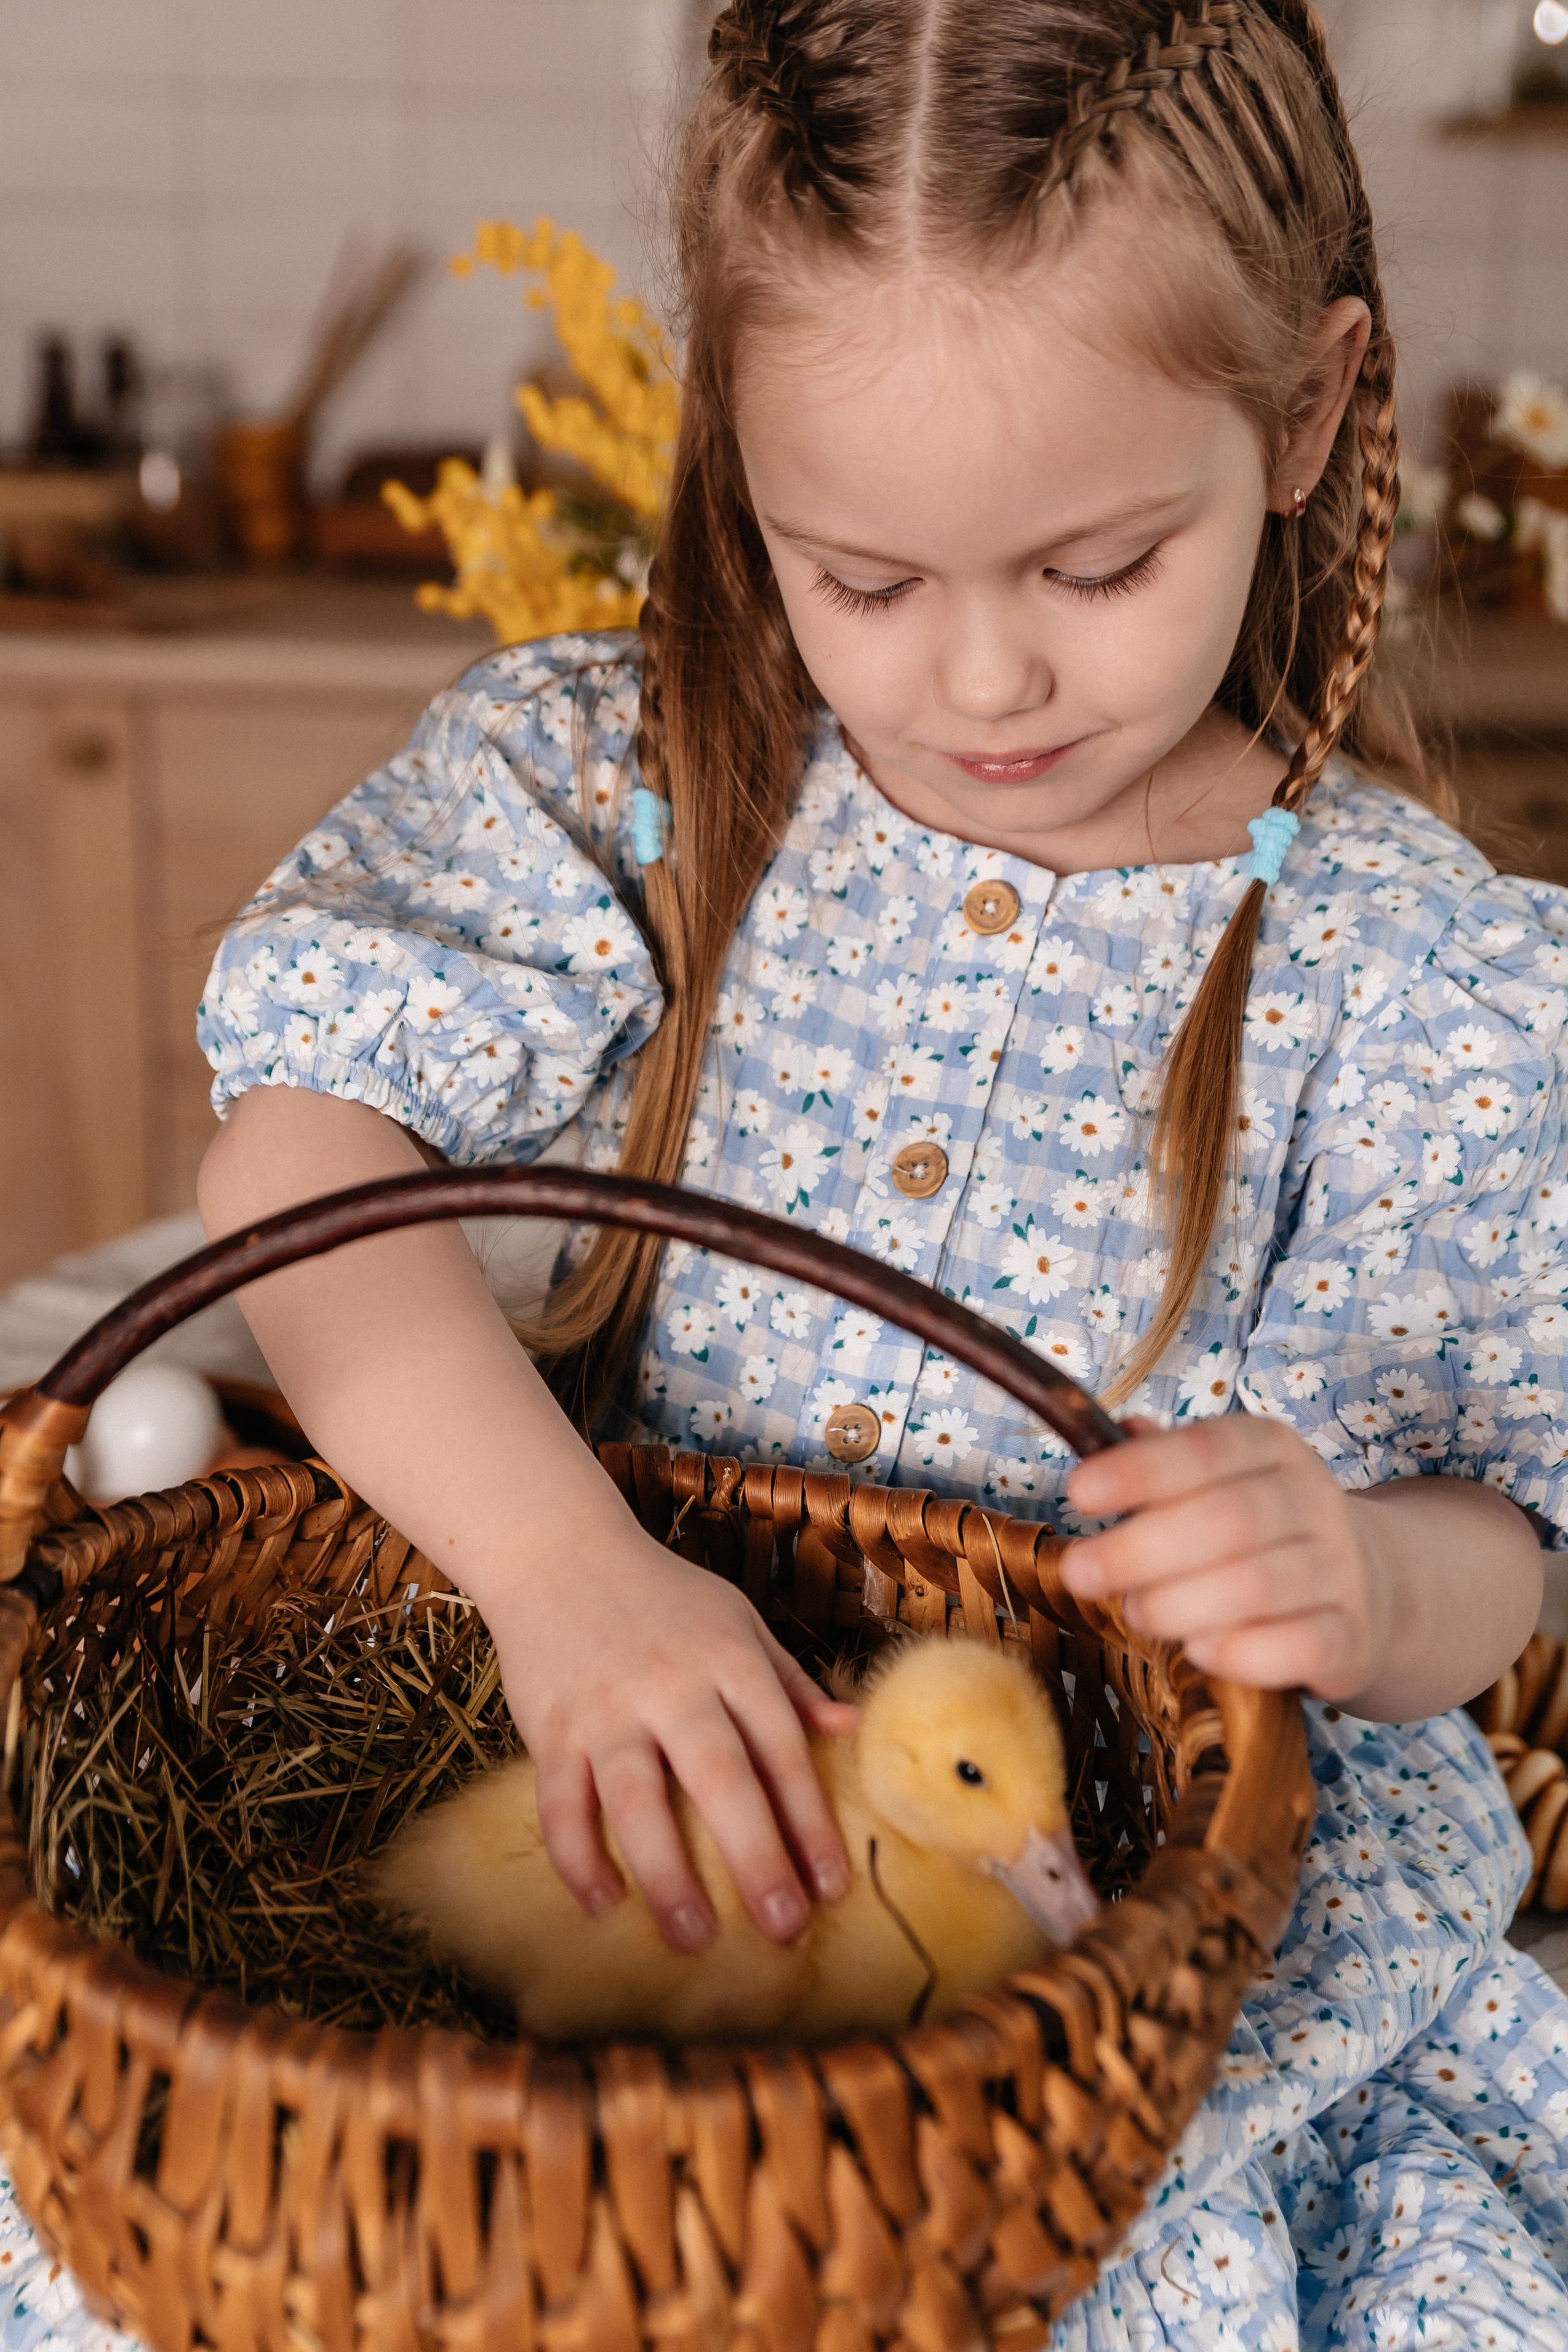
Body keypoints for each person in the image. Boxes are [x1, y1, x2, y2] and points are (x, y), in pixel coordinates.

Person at [192, 2, 1568, 2340]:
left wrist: (1354, 1575)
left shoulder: (1425, 988)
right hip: (662, 1843)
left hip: (1153, 1984)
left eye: (1104, 562)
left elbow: (1513, 1551)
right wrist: (566, 1577)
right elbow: (301, 1167)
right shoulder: (638, 787)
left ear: (1315, 408)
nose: (983, 679)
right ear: (744, 463)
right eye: (864, 576)